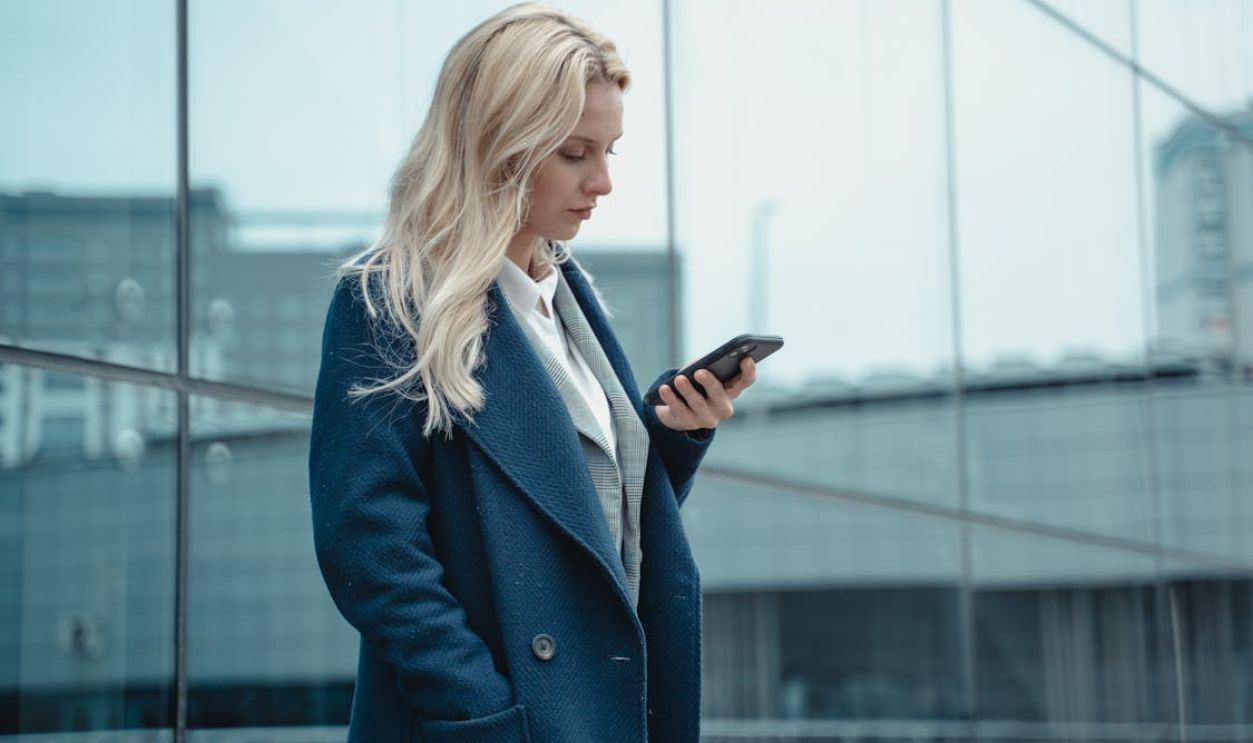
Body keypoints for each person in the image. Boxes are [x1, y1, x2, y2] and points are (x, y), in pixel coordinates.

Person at [308, 4, 756, 741]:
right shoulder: (389, 299)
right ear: (499, 144)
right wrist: (480, 710)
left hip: (607, 706)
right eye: (575, 153)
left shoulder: (568, 293)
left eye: (611, 150)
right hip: (504, 722)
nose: (603, 181)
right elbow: (370, 548)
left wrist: (670, 439)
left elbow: (585, 538)